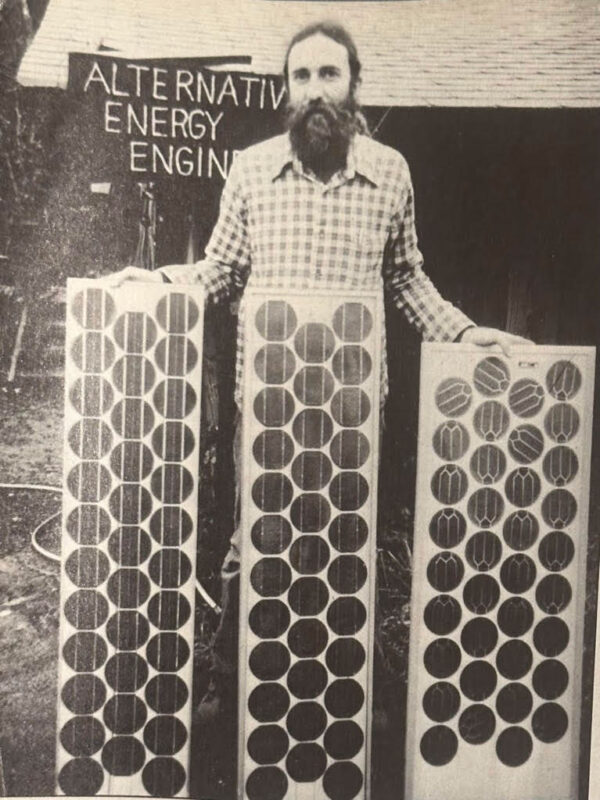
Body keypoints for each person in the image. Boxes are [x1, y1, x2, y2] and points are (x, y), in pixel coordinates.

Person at [107, 19, 529, 734]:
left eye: (328, 74)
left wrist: (463, 331)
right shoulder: (252, 171)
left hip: (352, 408)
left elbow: (406, 278)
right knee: (253, 546)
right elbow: (220, 270)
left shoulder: (389, 173)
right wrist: (160, 282)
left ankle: (345, 694)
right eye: (300, 77)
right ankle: (232, 685)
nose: (314, 90)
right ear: (286, 91)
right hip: (267, 406)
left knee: (346, 547)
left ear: (354, 85)